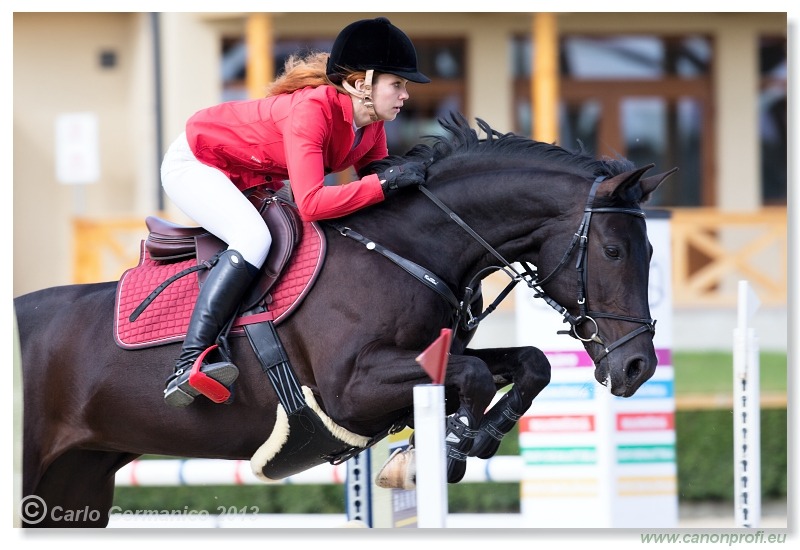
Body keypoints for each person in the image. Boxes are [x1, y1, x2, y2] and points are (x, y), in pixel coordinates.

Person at [160, 17, 430, 407]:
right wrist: (384, 184)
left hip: (254, 176)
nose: (405, 94)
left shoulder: (370, 122)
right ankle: (190, 361)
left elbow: (376, 181)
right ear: (361, 85)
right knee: (254, 238)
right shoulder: (313, 111)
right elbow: (313, 204)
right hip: (198, 162)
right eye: (397, 84)